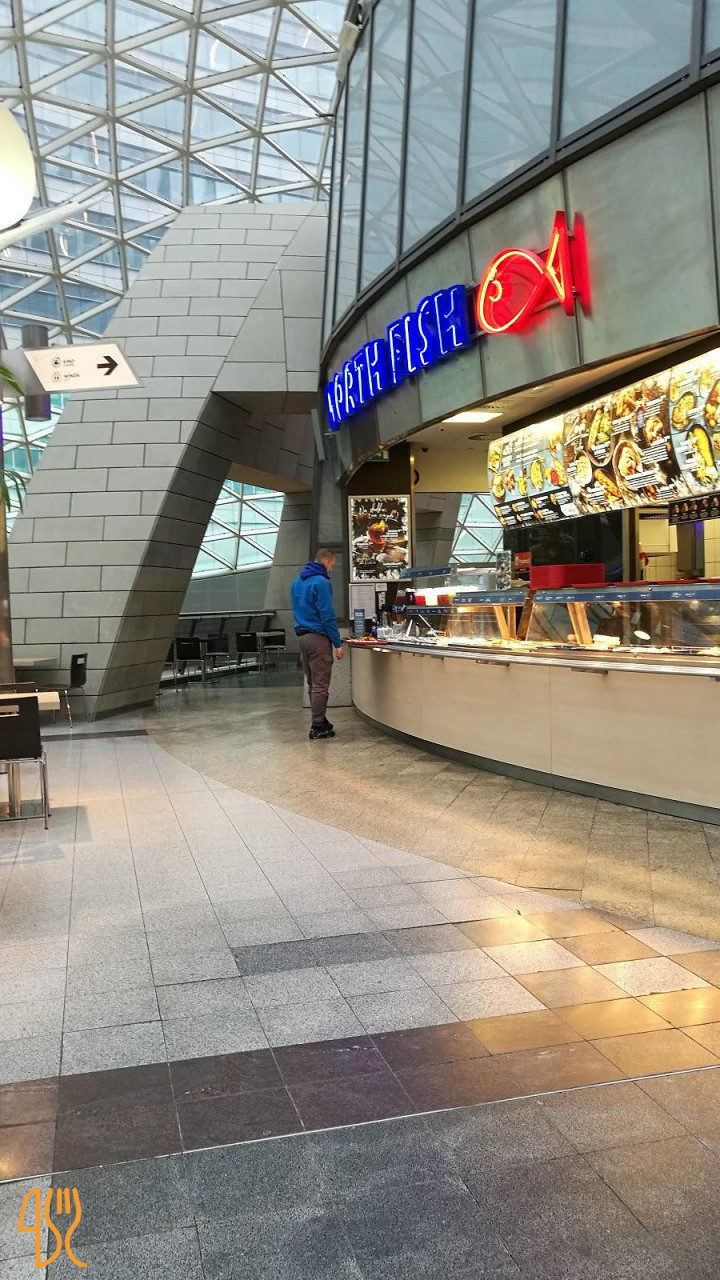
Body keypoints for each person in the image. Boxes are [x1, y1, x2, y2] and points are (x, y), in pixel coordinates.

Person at [291, 549, 344, 740]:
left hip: (302, 638)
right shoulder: (321, 582)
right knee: (321, 685)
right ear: (326, 561)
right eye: (332, 564)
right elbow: (327, 615)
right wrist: (337, 643)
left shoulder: (297, 581)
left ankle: (321, 719)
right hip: (318, 638)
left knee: (313, 683)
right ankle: (317, 726)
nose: (331, 568)